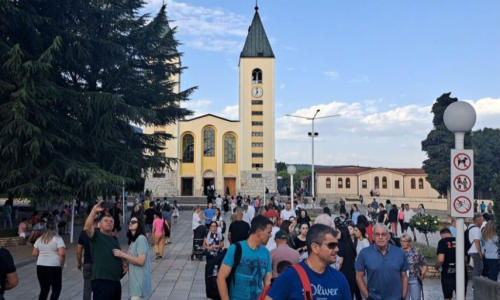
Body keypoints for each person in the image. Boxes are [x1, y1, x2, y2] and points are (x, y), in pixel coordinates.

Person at [264, 224, 352, 300]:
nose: (337, 249)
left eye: (336, 245)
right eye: (331, 245)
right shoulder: (290, 276)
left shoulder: (339, 278)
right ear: (315, 248)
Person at [217, 215, 273, 300]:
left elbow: (268, 282)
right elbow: (221, 278)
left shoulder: (266, 253)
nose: (271, 235)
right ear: (259, 232)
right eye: (268, 232)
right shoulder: (235, 248)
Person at [84, 200, 126, 299]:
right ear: (100, 224)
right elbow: (87, 227)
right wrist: (94, 210)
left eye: (111, 221)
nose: (109, 223)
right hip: (101, 280)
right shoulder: (96, 235)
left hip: (115, 281)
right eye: (106, 221)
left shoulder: (114, 239)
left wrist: (123, 263)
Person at [356, 224, 409, 300]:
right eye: (377, 234)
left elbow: (404, 277)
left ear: (388, 237)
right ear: (373, 237)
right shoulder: (364, 253)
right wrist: (367, 296)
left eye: (383, 234)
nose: (380, 237)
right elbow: (359, 276)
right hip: (374, 297)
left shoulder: (399, 253)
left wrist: (403, 297)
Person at [112, 216, 152, 300]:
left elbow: (141, 261)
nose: (131, 223)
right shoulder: (133, 241)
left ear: (140, 225)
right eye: (130, 221)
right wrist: (126, 263)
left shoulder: (141, 239)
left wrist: (123, 254)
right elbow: (131, 258)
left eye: (134, 222)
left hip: (139, 282)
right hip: (133, 282)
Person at [33, 221, 66, 300]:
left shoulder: (40, 239)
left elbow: (34, 253)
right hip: (54, 266)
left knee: (44, 289)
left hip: (40, 266)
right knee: (56, 289)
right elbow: (62, 253)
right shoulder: (58, 239)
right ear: (55, 228)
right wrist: (62, 263)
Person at [435, 228, 468, 300]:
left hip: (448, 273)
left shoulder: (442, 242)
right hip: (462, 272)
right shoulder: (460, 240)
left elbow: (440, 260)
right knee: (461, 296)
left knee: (448, 297)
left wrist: (436, 266)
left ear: (441, 235)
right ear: (450, 233)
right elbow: (466, 257)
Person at [77, 215, 99, 300]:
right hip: (98, 264)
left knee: (87, 288)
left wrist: (79, 262)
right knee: (99, 287)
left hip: (87, 263)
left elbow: (78, 251)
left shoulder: (83, 233)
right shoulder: (101, 233)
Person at [400, 234, 427, 300]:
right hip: (402, 279)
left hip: (414, 279)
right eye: (401, 241)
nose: (403, 243)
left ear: (410, 242)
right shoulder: (398, 252)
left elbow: (424, 264)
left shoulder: (417, 251)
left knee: (416, 298)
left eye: (405, 241)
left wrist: (422, 274)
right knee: (404, 298)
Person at [337, 227, 361, 300]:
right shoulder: (351, 244)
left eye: (338, 232)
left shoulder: (340, 245)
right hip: (351, 275)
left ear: (342, 233)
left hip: (343, 275)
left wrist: (334, 271)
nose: (336, 234)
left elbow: (340, 262)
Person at [468, 213, 484, 281]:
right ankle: (475, 284)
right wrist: (480, 252)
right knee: (478, 268)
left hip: (470, 250)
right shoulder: (476, 229)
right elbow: (477, 242)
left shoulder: (470, 227)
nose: (482, 222)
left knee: (476, 268)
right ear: (478, 220)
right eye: (482, 220)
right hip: (475, 251)